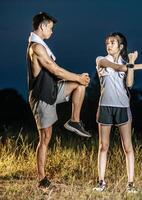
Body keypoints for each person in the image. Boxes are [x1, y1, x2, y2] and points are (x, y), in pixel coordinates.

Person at [26, 12, 91, 188]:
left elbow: (56, 75)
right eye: (51, 28)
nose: (52, 32)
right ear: (43, 26)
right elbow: (54, 70)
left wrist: (79, 79)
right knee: (45, 137)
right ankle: (42, 179)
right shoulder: (36, 48)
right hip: (42, 97)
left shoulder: (42, 45)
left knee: (80, 85)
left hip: (54, 90)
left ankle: (74, 121)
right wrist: (76, 76)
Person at [93, 32, 142, 193]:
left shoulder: (127, 63)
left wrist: (132, 63)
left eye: (113, 42)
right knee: (103, 146)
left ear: (120, 47)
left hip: (122, 107)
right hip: (105, 106)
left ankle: (131, 183)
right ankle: (101, 182)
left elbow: (130, 83)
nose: (109, 45)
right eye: (107, 42)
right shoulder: (101, 59)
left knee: (127, 147)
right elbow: (118, 67)